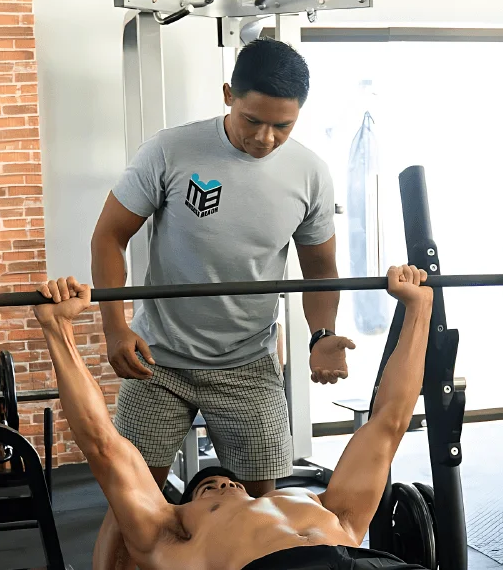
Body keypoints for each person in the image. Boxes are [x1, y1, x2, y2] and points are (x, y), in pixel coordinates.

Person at [90, 37, 350, 569]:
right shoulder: (171, 150)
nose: (265, 137)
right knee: (131, 504)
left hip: (247, 363)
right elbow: (109, 235)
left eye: (283, 126)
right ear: (228, 94)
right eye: (254, 120)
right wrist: (116, 328)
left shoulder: (310, 174)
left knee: (263, 503)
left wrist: (322, 336)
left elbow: (320, 269)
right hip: (156, 361)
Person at [33, 267, 432, 570]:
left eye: (226, 480)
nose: (223, 481)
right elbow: (103, 445)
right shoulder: (164, 532)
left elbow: (389, 422)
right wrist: (58, 329)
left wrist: (418, 305)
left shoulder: (320, 504)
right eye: (207, 489)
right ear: (184, 511)